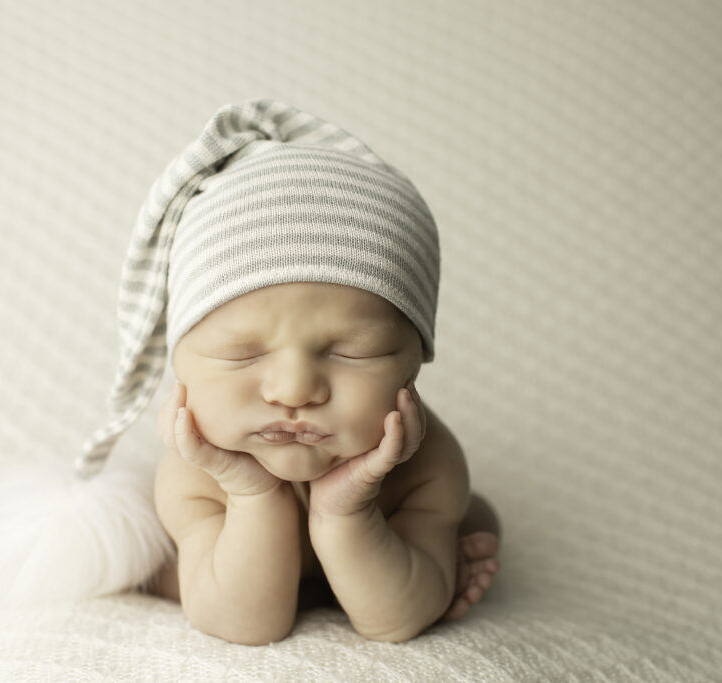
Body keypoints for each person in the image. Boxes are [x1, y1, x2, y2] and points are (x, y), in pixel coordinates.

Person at [73, 98, 499, 644]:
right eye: (242, 354)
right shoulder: (195, 473)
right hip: (228, 567)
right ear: (179, 363)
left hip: (381, 531)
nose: (295, 389)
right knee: (156, 564)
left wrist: (349, 510)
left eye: (352, 351)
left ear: (416, 360)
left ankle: (422, 555)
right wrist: (249, 492)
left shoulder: (426, 463)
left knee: (476, 517)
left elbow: (394, 621)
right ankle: (187, 569)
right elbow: (246, 627)